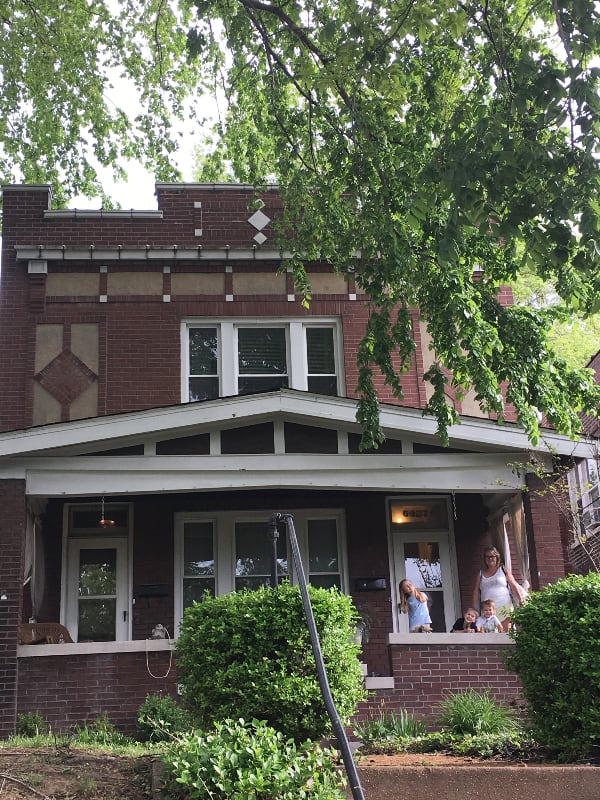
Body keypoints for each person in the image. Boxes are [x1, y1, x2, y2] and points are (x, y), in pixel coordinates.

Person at [471, 545, 522, 632]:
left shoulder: (503, 569)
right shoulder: (481, 574)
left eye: (492, 556)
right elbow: (476, 591)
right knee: (490, 633)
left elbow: (513, 585)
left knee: (506, 632)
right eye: (487, 556)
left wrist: (521, 600)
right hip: (487, 609)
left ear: (497, 557)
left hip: (504, 605)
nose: (490, 558)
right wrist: (474, 609)